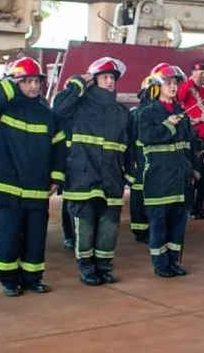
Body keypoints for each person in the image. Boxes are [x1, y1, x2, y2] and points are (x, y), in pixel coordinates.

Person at [0, 56, 65, 296]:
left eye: (36, 81)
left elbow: (59, 147)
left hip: (37, 188)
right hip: (8, 188)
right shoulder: (2, 108)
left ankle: (32, 278)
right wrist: (8, 85)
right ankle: (8, 280)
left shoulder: (47, 114)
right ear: (16, 83)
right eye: (26, 81)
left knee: (36, 238)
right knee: (8, 237)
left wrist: (56, 177)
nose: (33, 86)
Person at [53, 57, 130, 286]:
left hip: (112, 177)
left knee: (109, 228)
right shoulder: (78, 105)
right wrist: (77, 83)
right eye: (105, 77)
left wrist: (127, 173)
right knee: (85, 227)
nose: (109, 82)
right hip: (82, 176)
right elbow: (58, 109)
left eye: (112, 78)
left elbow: (127, 144)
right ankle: (87, 268)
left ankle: (104, 267)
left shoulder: (121, 112)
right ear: (94, 81)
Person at [138, 64, 195, 278]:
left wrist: (193, 170)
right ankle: (160, 264)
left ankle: (173, 261)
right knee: (159, 224)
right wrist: (168, 125)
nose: (173, 87)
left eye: (175, 83)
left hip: (180, 178)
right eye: (168, 83)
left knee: (178, 224)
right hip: (159, 178)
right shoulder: (147, 112)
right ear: (158, 86)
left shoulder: (182, 112)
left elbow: (189, 144)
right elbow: (146, 137)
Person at [178, 61, 204, 220]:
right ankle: (187, 209)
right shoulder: (188, 88)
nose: (203, 76)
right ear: (193, 74)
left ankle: (199, 207)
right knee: (191, 176)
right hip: (194, 138)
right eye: (199, 73)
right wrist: (189, 82)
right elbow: (179, 96)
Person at [125, 76, 154, 243]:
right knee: (138, 196)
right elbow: (128, 142)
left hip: (147, 161)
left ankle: (145, 229)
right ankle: (140, 230)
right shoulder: (135, 114)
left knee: (147, 196)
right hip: (139, 160)